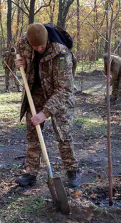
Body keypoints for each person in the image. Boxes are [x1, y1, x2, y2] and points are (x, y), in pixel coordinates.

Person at [15, 23, 79, 187]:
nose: (39, 48)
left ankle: (72, 171)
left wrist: (45, 112)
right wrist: (20, 63)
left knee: (63, 133)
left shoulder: (61, 52)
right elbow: (17, 56)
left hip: (58, 93)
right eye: (35, 46)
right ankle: (31, 173)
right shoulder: (24, 43)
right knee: (33, 133)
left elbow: (64, 89)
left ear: (47, 40)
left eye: (42, 45)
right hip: (35, 91)